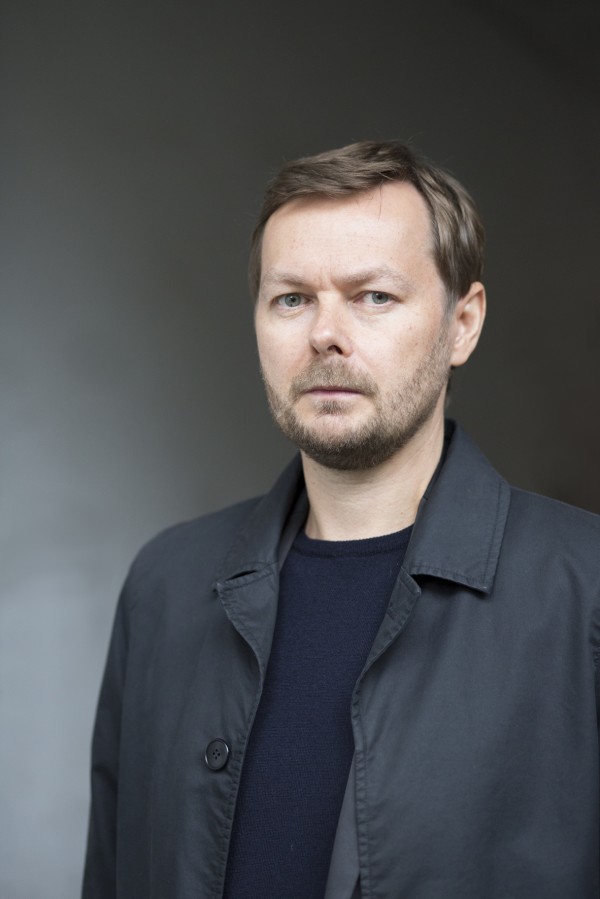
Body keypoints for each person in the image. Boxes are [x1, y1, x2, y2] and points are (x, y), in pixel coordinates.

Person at [82, 141, 600, 899]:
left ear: (463, 323)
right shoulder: (164, 587)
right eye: (292, 298)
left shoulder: (585, 592)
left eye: (374, 296)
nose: (325, 333)